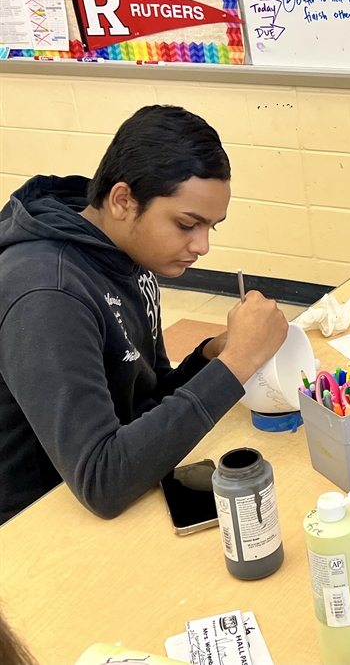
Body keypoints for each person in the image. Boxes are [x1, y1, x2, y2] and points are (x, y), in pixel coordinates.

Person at [0, 105, 288, 524]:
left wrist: (209, 357)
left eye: (212, 226)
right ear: (122, 200)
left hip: (116, 485)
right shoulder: (48, 292)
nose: (202, 246)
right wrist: (236, 363)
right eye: (187, 224)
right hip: (37, 522)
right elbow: (103, 480)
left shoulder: (126, 254)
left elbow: (145, 401)